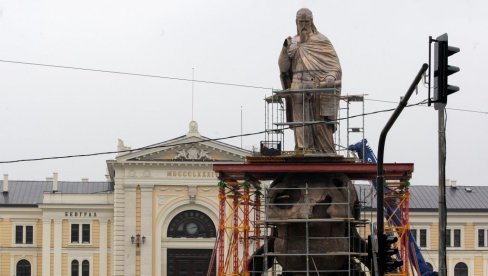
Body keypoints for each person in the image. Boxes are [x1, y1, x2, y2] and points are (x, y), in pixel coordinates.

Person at [279, 8, 342, 154]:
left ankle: (324, 149)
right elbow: (284, 68)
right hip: (297, 86)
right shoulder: (292, 42)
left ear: (312, 22)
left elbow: (335, 67)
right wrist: (284, 49)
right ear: (296, 22)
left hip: (317, 86)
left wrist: (331, 77)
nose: (304, 25)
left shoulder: (322, 41)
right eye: (301, 22)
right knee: (301, 124)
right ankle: (302, 149)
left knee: (320, 123)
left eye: (306, 21)